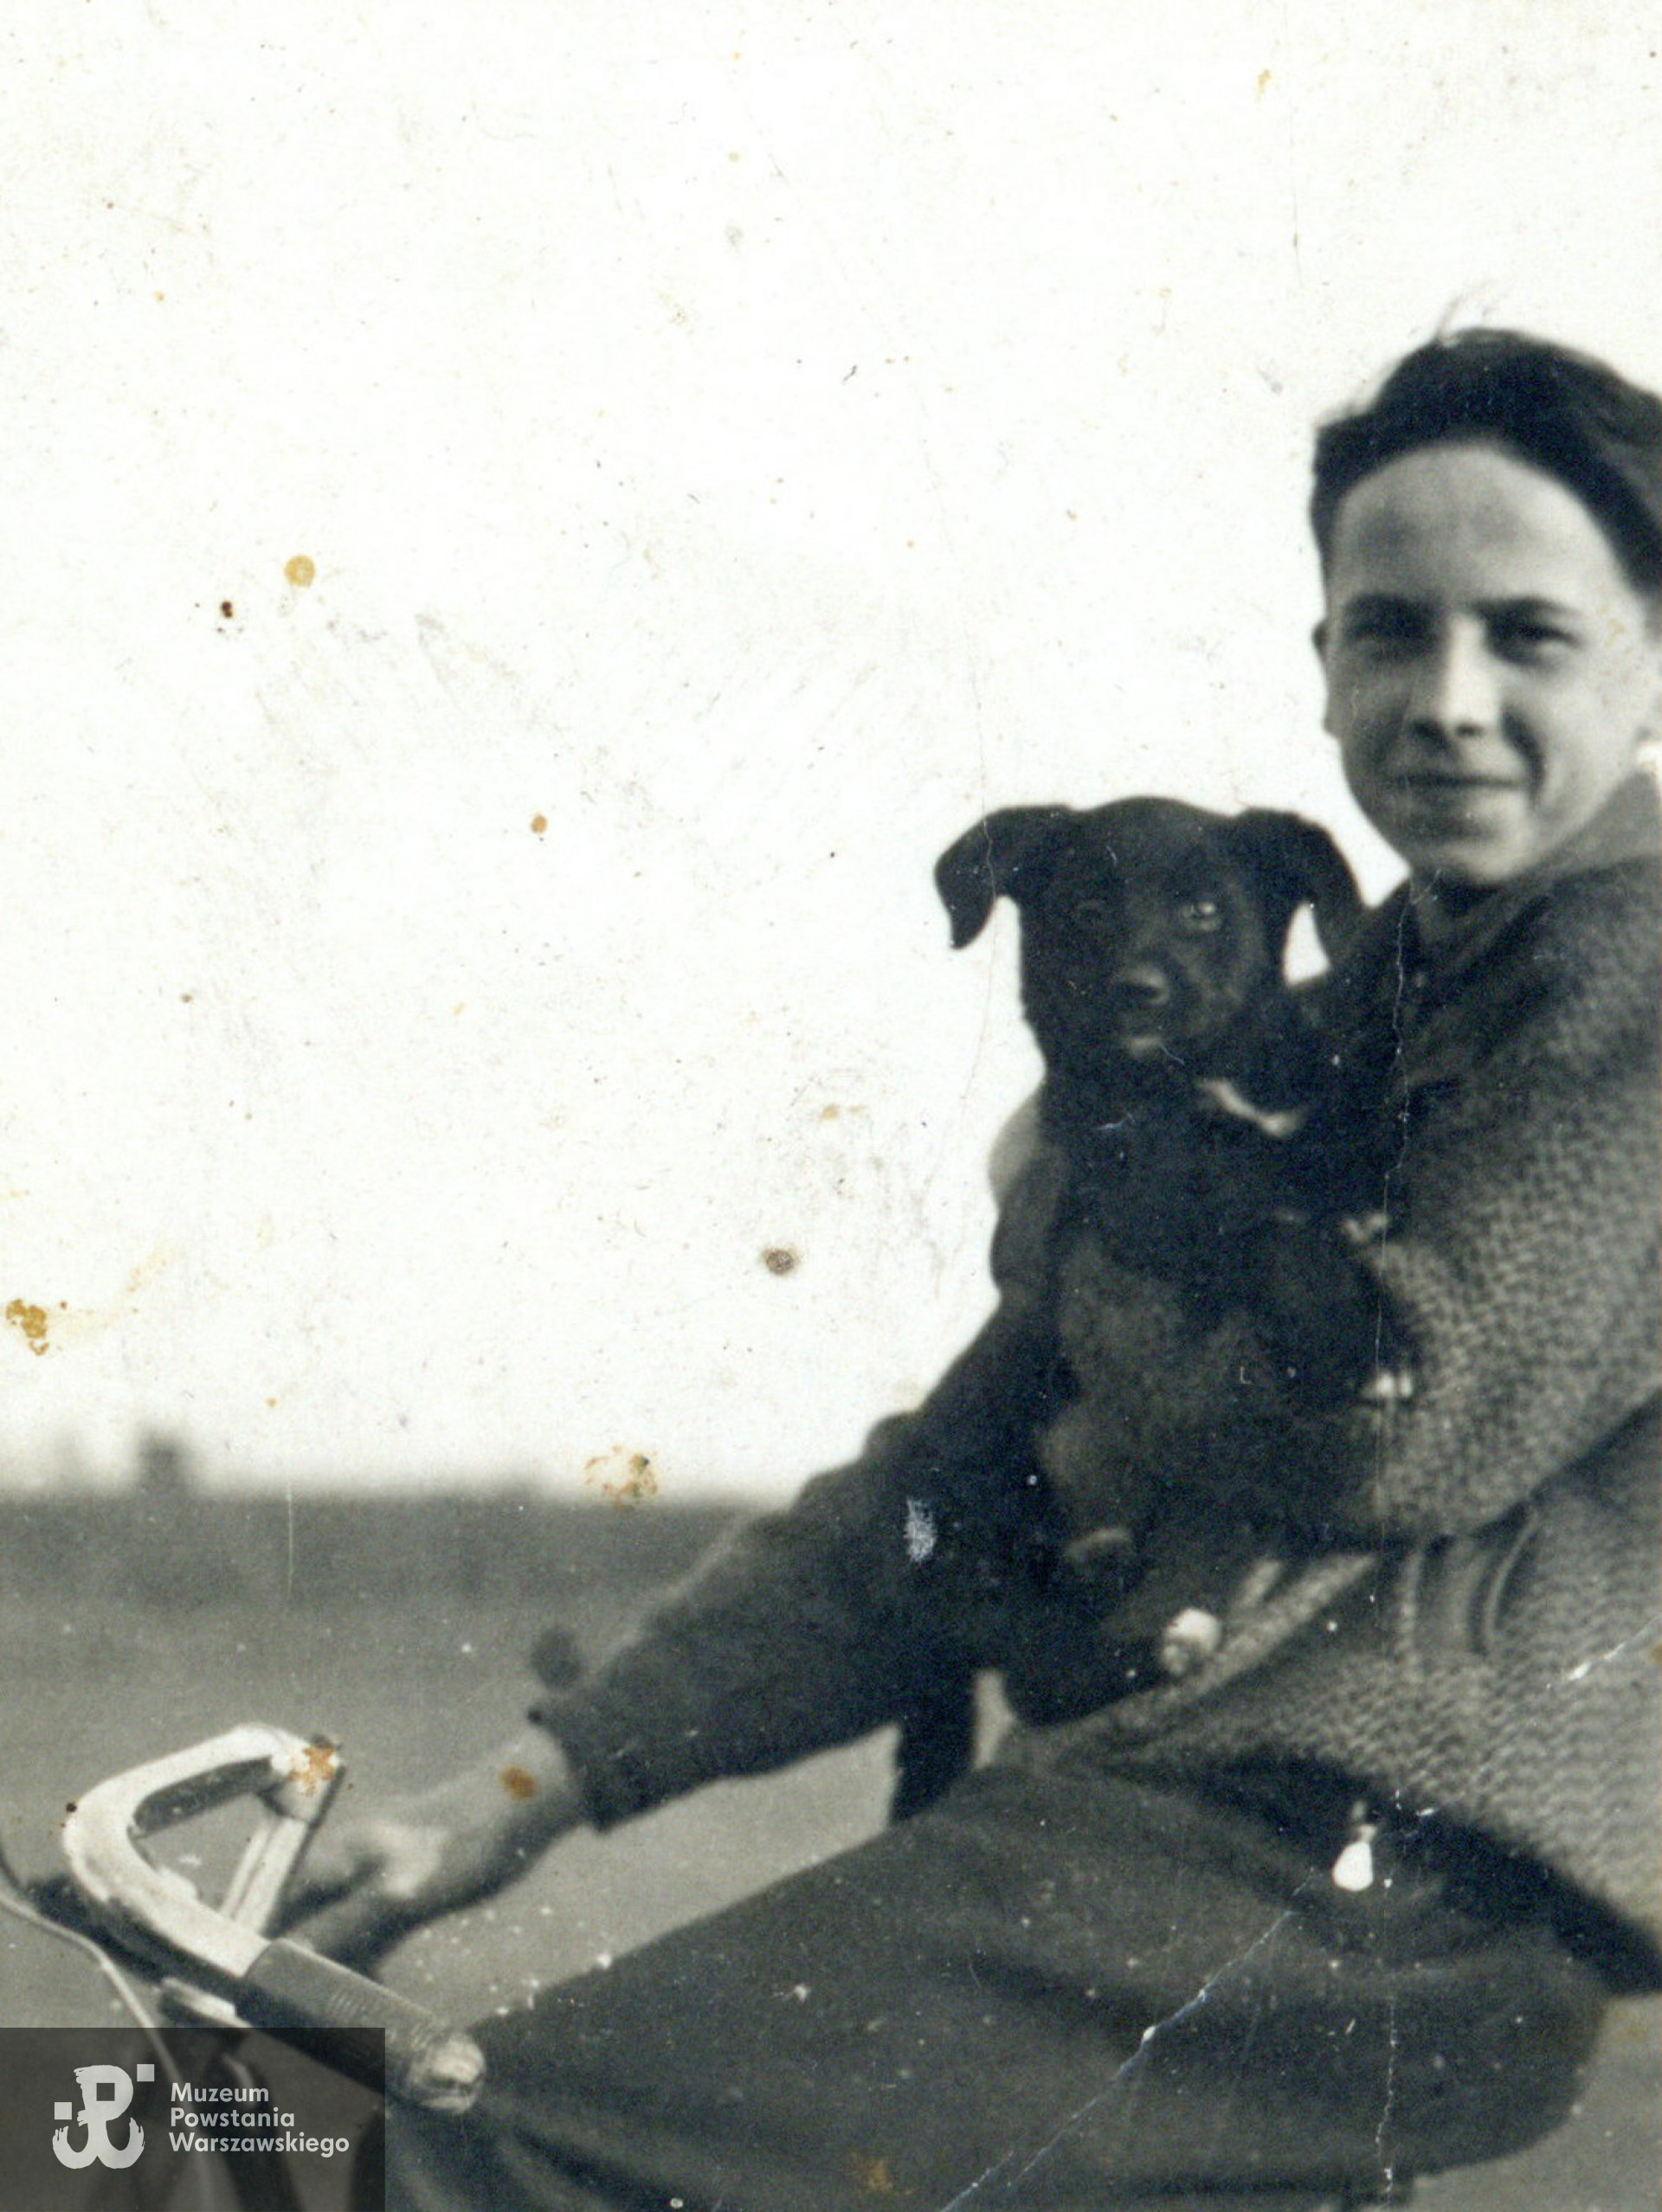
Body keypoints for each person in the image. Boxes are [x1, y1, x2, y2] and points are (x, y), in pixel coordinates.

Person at [296, 330, 1662, 2210]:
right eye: (1387, 628)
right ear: (1323, 658)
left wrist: (1074, 1208)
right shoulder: (1373, 1010)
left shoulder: (1628, 974)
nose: (1445, 697)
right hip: (1247, 1841)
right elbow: (972, 1469)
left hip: (1372, 1864)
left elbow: (1385, 1428)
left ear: (1656, 654)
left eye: (1529, 634)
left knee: (437, 2142)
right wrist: (531, 1787)